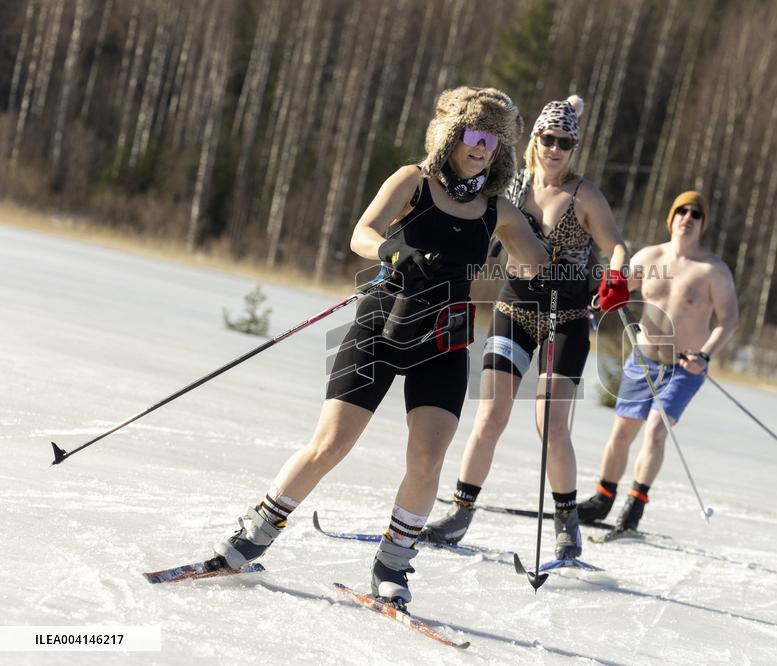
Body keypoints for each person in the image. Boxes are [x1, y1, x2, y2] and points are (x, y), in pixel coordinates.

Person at [209, 87, 550, 608]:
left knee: (428, 457)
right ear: (452, 135)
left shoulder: (497, 209)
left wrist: (555, 257)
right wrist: (392, 250)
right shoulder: (414, 179)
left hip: (446, 336)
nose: (482, 148)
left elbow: (534, 266)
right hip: (384, 323)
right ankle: (253, 535)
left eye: (493, 141)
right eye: (474, 136)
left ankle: (393, 565)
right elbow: (361, 232)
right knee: (331, 443)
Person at [421, 95, 629, 560]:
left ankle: (566, 522)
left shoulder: (584, 195)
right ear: (534, 140)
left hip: (567, 318)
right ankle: (460, 512)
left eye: (565, 142)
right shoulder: (511, 187)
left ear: (574, 148)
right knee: (491, 414)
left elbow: (616, 245)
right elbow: (479, 229)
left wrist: (617, 276)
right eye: (548, 138)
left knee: (550, 424)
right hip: (514, 310)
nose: (555, 148)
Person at [577, 191, 739, 533]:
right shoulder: (649, 257)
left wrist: (705, 355)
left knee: (654, 431)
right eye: (682, 211)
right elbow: (616, 289)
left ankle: (634, 507)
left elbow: (729, 320)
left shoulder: (713, 270)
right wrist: (603, 294)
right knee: (622, 431)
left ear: (702, 223)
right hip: (644, 359)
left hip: (685, 368)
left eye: (696, 213)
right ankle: (602, 499)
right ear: (672, 218)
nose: (688, 217)